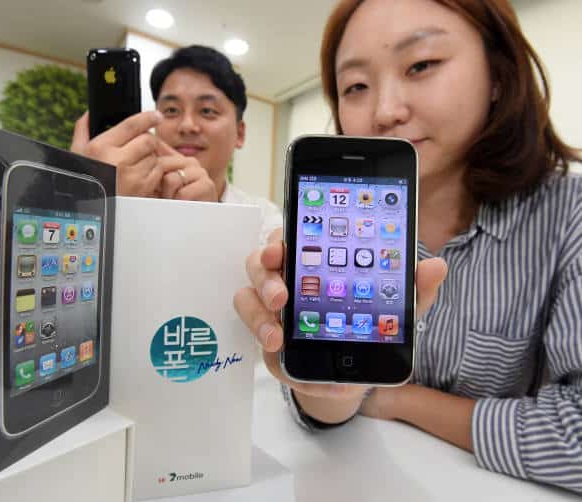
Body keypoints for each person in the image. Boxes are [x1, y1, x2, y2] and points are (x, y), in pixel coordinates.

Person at [233, 0, 582, 493]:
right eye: (356, 86)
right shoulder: (339, 221)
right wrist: (332, 392)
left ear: (498, 76)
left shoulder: (570, 215)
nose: (385, 111)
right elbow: (327, 408)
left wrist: (399, 400)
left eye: (421, 65)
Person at [71, 45, 281, 246]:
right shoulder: (116, 192)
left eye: (207, 111)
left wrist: (213, 221)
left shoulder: (263, 217)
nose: (187, 126)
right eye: (171, 110)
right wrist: (89, 201)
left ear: (240, 134)